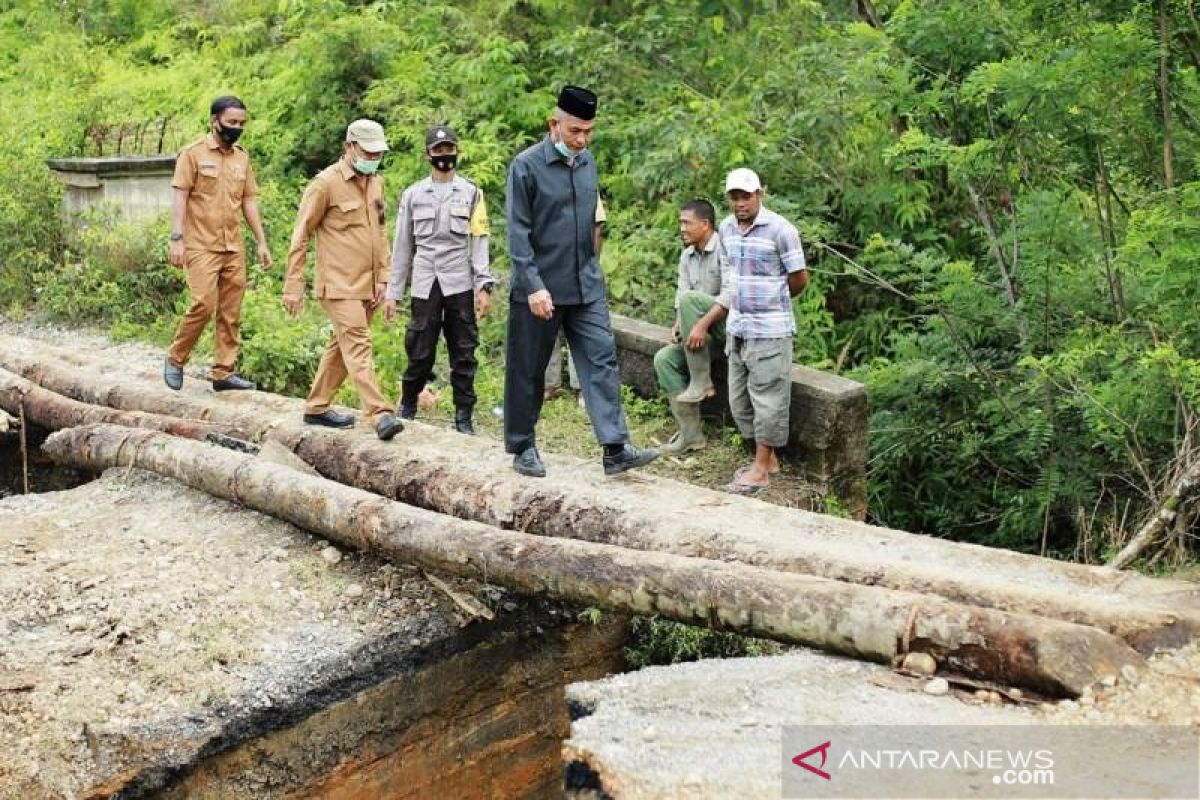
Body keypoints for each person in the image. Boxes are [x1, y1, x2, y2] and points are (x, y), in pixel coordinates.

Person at [503, 85, 658, 477]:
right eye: (575, 131)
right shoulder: (526, 166)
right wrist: (533, 285)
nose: (582, 139)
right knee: (529, 368)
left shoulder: (586, 162)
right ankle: (522, 446)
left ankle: (615, 447)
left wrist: (594, 269)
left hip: (585, 284)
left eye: (589, 131)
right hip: (540, 287)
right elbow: (518, 235)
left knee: (601, 359)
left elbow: (592, 220)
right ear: (553, 124)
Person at [282, 119, 403, 441]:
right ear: (349, 147)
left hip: (368, 284)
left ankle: (317, 407)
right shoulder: (325, 184)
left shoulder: (375, 182)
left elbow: (380, 232)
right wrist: (293, 284)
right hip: (338, 285)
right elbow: (300, 236)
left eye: (378, 152)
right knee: (359, 344)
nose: (374, 157)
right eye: (368, 151)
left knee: (342, 347)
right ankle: (379, 413)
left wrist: (385, 278)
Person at [689, 168, 808, 494]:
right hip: (738, 326)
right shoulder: (726, 229)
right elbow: (731, 275)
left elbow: (799, 278)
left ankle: (760, 470)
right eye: (734, 197)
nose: (740, 203)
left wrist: (771, 298)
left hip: (770, 329)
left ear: (760, 194)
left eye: (746, 196)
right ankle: (767, 460)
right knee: (740, 399)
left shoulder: (781, 230)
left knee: (768, 399)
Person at [384, 125, 494, 435]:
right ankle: (408, 403)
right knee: (420, 346)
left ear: (456, 151)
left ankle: (464, 415)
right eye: (438, 150)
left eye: (449, 149)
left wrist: (483, 284)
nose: (445, 156)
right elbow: (403, 245)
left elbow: (479, 240)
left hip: (459, 278)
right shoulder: (413, 194)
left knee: (463, 349)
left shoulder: (472, 192)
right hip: (425, 280)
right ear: (428, 154)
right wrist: (394, 291)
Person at [163, 95, 271, 392]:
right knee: (203, 303)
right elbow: (180, 195)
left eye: (241, 123)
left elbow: (249, 200)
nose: (236, 128)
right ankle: (175, 358)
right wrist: (176, 238)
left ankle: (223, 372)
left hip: (233, 245)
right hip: (200, 243)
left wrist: (261, 241)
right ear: (215, 121)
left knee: (231, 310)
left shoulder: (242, 157)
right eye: (231, 122)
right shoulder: (193, 154)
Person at [652, 198, 729, 454]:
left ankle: (701, 381)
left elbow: (730, 297)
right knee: (664, 359)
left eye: (687, 223)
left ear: (705, 224)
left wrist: (700, 325)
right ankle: (691, 437)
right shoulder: (687, 256)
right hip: (700, 338)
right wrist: (678, 325)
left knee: (690, 300)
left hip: (725, 330)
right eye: (680, 223)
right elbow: (681, 294)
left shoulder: (725, 249)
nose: (682, 228)